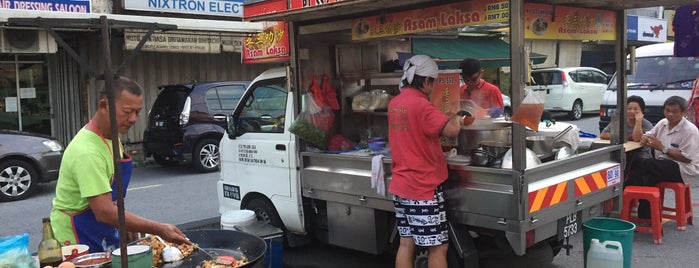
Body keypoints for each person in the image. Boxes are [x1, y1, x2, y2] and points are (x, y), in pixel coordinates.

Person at [49, 77, 191, 252]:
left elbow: (110, 199)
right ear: (103, 106)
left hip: (100, 227)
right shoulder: (87, 151)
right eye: (127, 111)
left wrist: (126, 224)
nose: (133, 119)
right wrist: (159, 228)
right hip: (77, 237)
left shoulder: (112, 138)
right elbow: (104, 211)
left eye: (137, 112)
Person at [388, 55, 461, 268]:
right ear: (427, 81)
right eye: (434, 82)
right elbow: (452, 130)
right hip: (422, 188)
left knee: (406, 244)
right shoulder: (422, 106)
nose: (434, 87)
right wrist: (457, 116)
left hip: (401, 185)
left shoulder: (395, 103)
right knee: (437, 247)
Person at [626, 96, 699, 218]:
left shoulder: (690, 131)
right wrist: (646, 139)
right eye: (667, 111)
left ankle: (625, 189)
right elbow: (647, 136)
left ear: (683, 112)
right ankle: (646, 216)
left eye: (674, 112)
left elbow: (687, 158)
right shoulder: (662, 123)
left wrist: (662, 148)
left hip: (683, 169)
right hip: (662, 165)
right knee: (645, 174)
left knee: (647, 164)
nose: (670, 114)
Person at [600, 95, 654, 177]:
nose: (632, 111)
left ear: (642, 111)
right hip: (623, 153)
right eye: (629, 109)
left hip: (641, 157)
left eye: (636, 109)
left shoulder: (646, 124)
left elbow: (637, 139)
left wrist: (638, 122)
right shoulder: (620, 122)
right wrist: (625, 137)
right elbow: (603, 134)